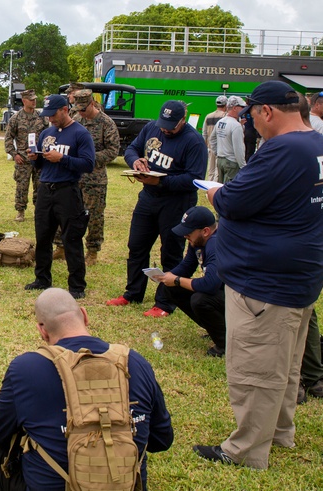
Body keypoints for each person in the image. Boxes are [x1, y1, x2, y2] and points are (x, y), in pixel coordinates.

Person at [194, 80, 323, 469]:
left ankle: (245, 450)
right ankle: (279, 431)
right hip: (301, 273)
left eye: (252, 117)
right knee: (285, 365)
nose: (251, 125)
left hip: (265, 280)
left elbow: (235, 200)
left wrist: (214, 194)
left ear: (267, 112)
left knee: (255, 368)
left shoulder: (282, 149)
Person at [0, 288, 173, 491]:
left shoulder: (26, 368)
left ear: (42, 330)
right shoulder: (135, 362)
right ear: (85, 315)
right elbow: (161, 441)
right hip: (127, 485)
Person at [107, 100, 207, 317]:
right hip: (148, 198)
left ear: (182, 120)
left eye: (170, 125)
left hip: (176, 203)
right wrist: (136, 162)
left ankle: (165, 303)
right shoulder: (152, 127)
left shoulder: (194, 141)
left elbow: (195, 178)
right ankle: (133, 292)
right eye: (163, 123)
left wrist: (162, 182)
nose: (164, 129)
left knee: (170, 252)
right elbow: (132, 148)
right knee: (136, 246)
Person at [24, 94, 94, 299]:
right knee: (43, 237)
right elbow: (41, 166)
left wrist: (62, 158)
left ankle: (77, 285)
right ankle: (42, 278)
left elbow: (88, 164)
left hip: (68, 191)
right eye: (47, 116)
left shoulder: (81, 134)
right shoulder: (46, 133)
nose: (50, 119)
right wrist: (34, 159)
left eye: (53, 115)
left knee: (71, 238)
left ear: (65, 109)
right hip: (46, 189)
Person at [149, 206, 226, 357]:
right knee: (170, 288)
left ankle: (225, 343)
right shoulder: (198, 242)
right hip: (222, 293)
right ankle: (215, 328)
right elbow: (187, 266)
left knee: (201, 300)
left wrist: (177, 280)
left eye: (189, 232)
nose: (185, 236)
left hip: (240, 299)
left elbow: (210, 285)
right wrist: (166, 277)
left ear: (205, 231)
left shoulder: (216, 244)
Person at [71, 88, 120, 266]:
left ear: (92, 103)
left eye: (84, 108)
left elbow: (113, 150)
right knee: (69, 213)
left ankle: (92, 251)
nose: (82, 112)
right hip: (75, 177)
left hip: (95, 178)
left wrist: (89, 158)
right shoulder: (76, 120)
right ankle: (63, 247)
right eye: (79, 109)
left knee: (94, 216)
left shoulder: (106, 123)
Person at [4, 90, 48, 222]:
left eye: (35, 99)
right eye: (31, 99)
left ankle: (38, 211)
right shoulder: (16, 118)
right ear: (24, 101)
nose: (34, 101)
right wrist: (14, 154)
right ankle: (20, 211)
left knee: (40, 186)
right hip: (23, 159)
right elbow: (8, 139)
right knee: (21, 187)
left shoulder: (41, 117)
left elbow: (48, 136)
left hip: (39, 158)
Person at [210, 96, 246, 184]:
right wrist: (243, 166)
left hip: (220, 160)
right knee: (229, 190)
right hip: (232, 162)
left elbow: (212, 139)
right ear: (235, 108)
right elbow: (238, 149)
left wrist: (217, 153)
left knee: (220, 186)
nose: (243, 110)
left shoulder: (221, 122)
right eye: (242, 107)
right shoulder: (236, 125)